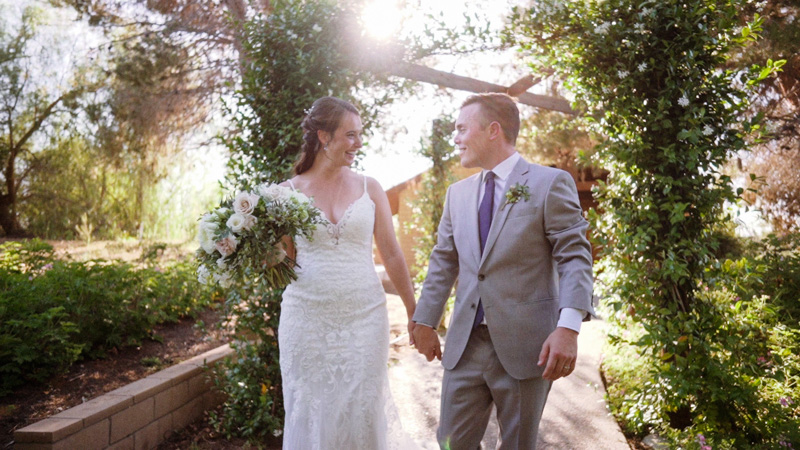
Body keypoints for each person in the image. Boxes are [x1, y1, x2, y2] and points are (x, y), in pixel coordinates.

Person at [412, 93, 595, 449]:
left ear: (493, 130)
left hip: (527, 347)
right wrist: (424, 320)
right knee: (451, 442)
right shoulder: (457, 194)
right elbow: (444, 262)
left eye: (462, 128)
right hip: (464, 346)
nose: (456, 138)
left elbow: (574, 257)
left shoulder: (550, 183)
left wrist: (568, 328)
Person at [278, 96, 418, 449]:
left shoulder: (370, 188)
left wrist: (416, 311)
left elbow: (392, 253)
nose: (359, 143)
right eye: (351, 135)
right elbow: (285, 264)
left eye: (360, 135)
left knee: (362, 408)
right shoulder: (286, 194)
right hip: (306, 321)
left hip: (365, 320)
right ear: (324, 137)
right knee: (312, 409)